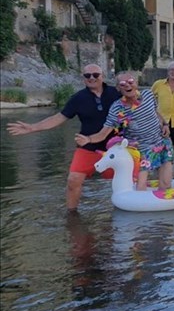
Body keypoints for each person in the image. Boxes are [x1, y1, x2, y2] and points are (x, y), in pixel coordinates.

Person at [6, 64, 121, 211]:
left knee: (125, 181)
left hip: (116, 147)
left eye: (95, 75)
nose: (91, 78)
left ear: (102, 76)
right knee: (73, 180)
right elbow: (59, 117)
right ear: (83, 78)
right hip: (87, 146)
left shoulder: (116, 93)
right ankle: (71, 215)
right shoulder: (78, 98)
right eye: (87, 76)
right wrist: (32, 128)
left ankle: (130, 216)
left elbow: (137, 106)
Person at [75, 71, 174, 191]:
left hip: (162, 143)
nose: (128, 85)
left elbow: (156, 112)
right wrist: (88, 139)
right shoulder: (117, 108)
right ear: (118, 88)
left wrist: (164, 124)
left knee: (166, 184)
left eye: (131, 81)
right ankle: (140, 208)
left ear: (136, 83)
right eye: (122, 83)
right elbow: (104, 133)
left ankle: (163, 207)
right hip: (140, 150)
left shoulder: (148, 94)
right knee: (140, 186)